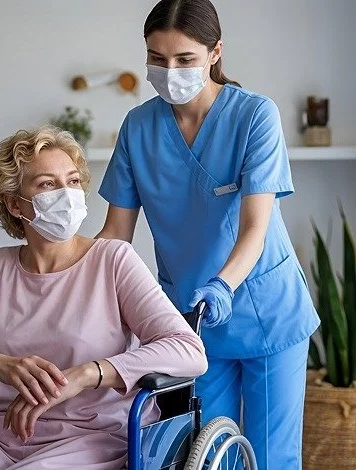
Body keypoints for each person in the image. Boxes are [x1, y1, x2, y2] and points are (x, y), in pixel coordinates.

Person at [97, 0, 320, 468]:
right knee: (207, 456)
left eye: (184, 60)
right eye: (157, 60)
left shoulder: (255, 116)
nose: (169, 71)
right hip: (192, 322)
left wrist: (222, 285)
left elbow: (256, 227)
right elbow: (115, 234)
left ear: (215, 52)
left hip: (265, 310)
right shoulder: (138, 127)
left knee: (270, 456)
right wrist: (72, 284)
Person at [0, 126, 207, 470]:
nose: (67, 194)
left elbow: (187, 349)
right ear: (14, 204)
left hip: (92, 437)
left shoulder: (113, 260)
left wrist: (88, 374)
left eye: (72, 181)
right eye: (46, 184)